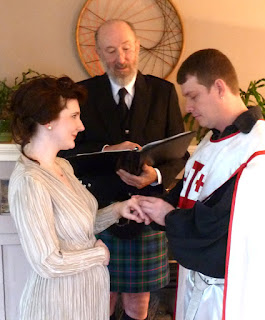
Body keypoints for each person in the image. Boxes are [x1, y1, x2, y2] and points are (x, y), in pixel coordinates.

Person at [137, 49, 265, 320]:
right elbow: (189, 194)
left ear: (219, 87)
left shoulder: (259, 151)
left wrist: (168, 216)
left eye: (193, 96)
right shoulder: (212, 141)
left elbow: (220, 227)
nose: (188, 107)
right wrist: (152, 209)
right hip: (200, 285)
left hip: (229, 295)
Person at [60, 19, 188, 320]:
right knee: (99, 299)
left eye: (127, 49)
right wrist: (107, 150)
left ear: (138, 47)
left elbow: (178, 154)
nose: (121, 58)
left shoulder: (163, 92)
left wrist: (155, 176)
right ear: (99, 54)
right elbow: (67, 151)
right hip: (98, 212)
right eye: (111, 50)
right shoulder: (83, 93)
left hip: (146, 211)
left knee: (138, 304)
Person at [8, 76, 146, 320]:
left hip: (85, 299)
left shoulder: (62, 166)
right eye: (73, 116)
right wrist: (98, 255)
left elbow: (77, 228)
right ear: (47, 120)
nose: (81, 126)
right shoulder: (31, 181)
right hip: (57, 306)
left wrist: (117, 210)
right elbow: (47, 262)